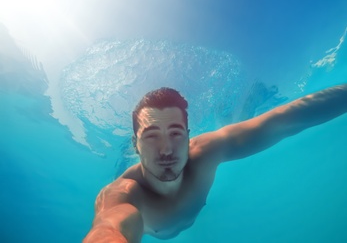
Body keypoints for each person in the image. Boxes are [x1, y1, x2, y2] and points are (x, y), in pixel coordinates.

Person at [84, 84, 347, 243]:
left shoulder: (205, 152)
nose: (166, 149)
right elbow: (109, 226)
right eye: (151, 136)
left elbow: (286, 119)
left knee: (238, 127)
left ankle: (246, 106)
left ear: (188, 138)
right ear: (136, 144)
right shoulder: (123, 194)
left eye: (175, 133)